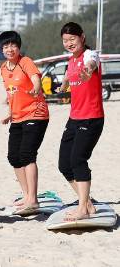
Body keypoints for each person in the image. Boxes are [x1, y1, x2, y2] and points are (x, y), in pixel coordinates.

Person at [56, 22, 104, 221]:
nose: (69, 43)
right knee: (64, 165)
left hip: (91, 118)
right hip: (74, 118)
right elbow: (69, 75)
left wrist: (88, 70)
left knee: (77, 160)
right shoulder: (70, 61)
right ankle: (88, 203)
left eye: (72, 39)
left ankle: (82, 208)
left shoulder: (90, 56)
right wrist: (64, 85)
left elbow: (91, 64)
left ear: (82, 37)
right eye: (65, 41)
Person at [0, 31, 49, 210]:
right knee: (14, 157)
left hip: (36, 113)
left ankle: (33, 199)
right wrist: (10, 113)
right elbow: (11, 92)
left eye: (13, 45)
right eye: (5, 46)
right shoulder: (3, 68)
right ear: (1, 49)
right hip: (17, 117)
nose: (9, 49)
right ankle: (26, 195)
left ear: (18, 47)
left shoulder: (25, 62)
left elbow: (35, 78)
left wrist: (36, 88)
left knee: (27, 154)